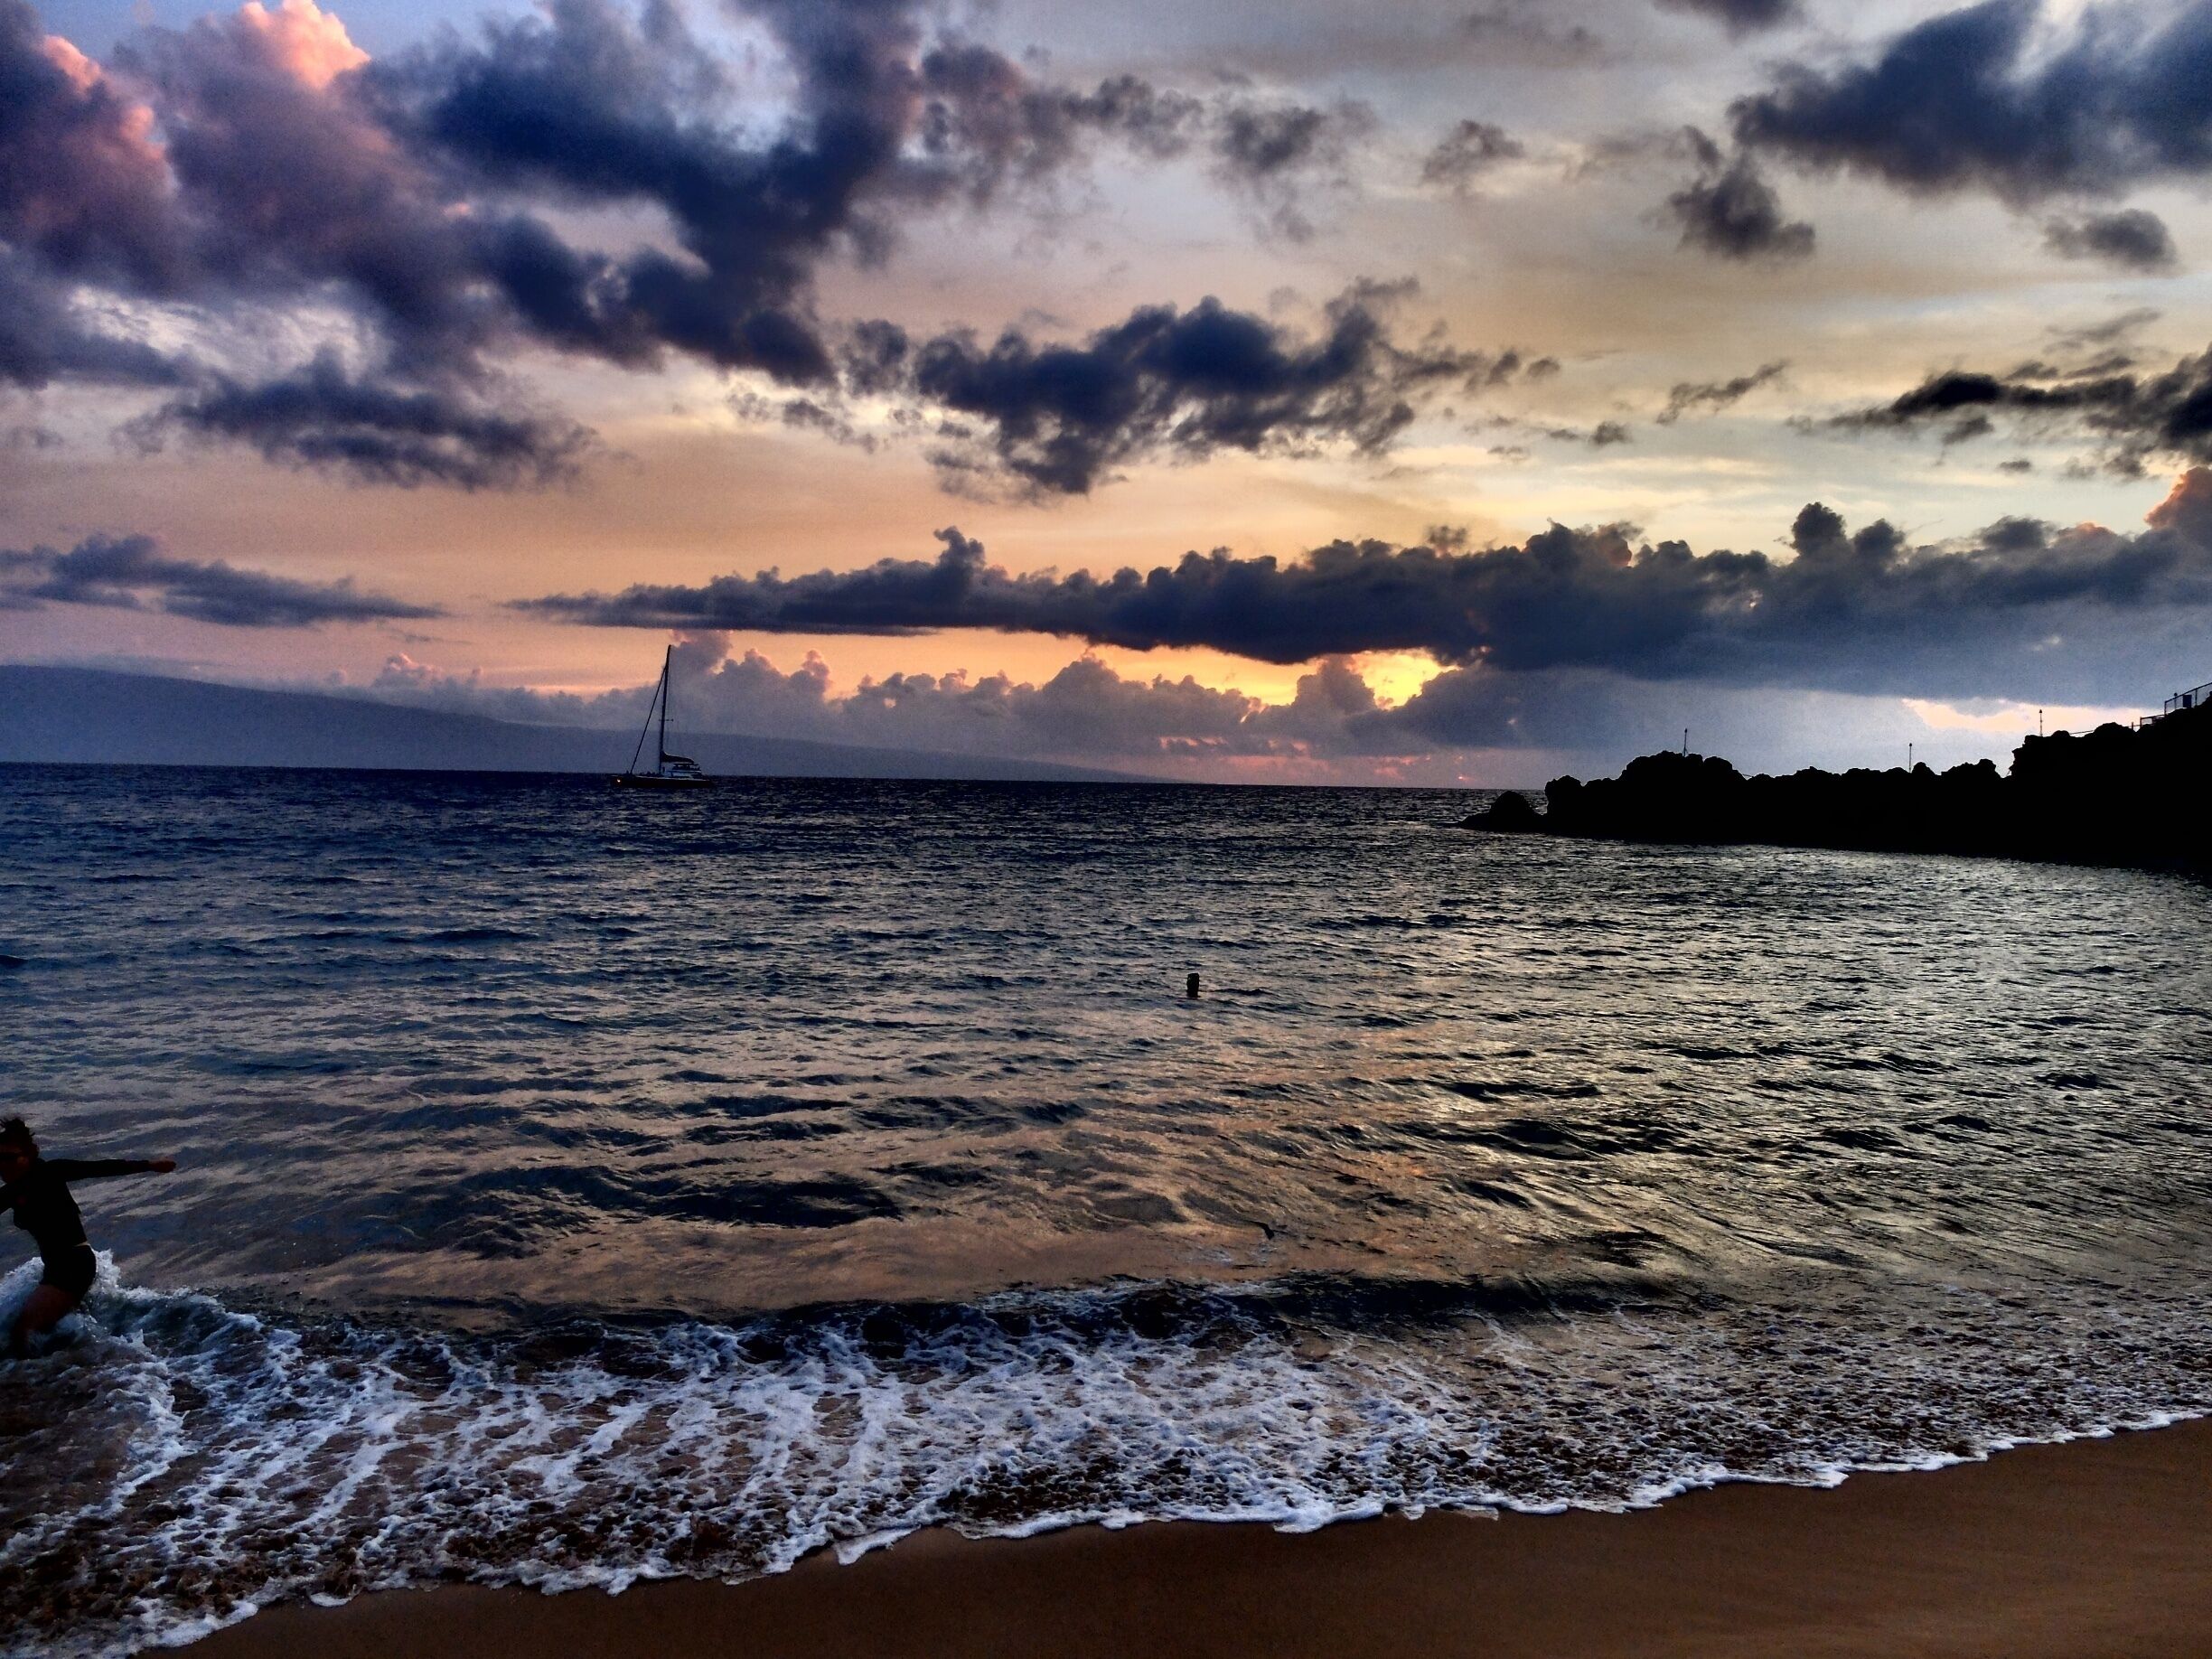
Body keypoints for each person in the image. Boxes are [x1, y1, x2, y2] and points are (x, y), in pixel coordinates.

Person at [0, 1118, 175, 1358]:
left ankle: (32, 1381)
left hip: (74, 1264)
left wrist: (150, 1165)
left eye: (10, 1157)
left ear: (29, 1156)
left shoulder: (50, 1172)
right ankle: (74, 1365)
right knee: (47, 1330)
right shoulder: (11, 1192)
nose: (4, 1165)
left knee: (21, 1331)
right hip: (55, 1266)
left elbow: (99, 1168)